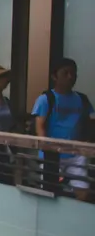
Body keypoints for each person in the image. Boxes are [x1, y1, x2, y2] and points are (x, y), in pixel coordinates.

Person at [32, 58, 93, 200]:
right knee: (51, 192)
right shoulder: (46, 99)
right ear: (54, 76)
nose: (70, 77)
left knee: (82, 193)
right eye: (65, 73)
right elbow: (39, 127)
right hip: (53, 155)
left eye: (73, 74)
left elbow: (90, 121)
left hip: (76, 155)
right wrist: (47, 149)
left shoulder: (82, 99)